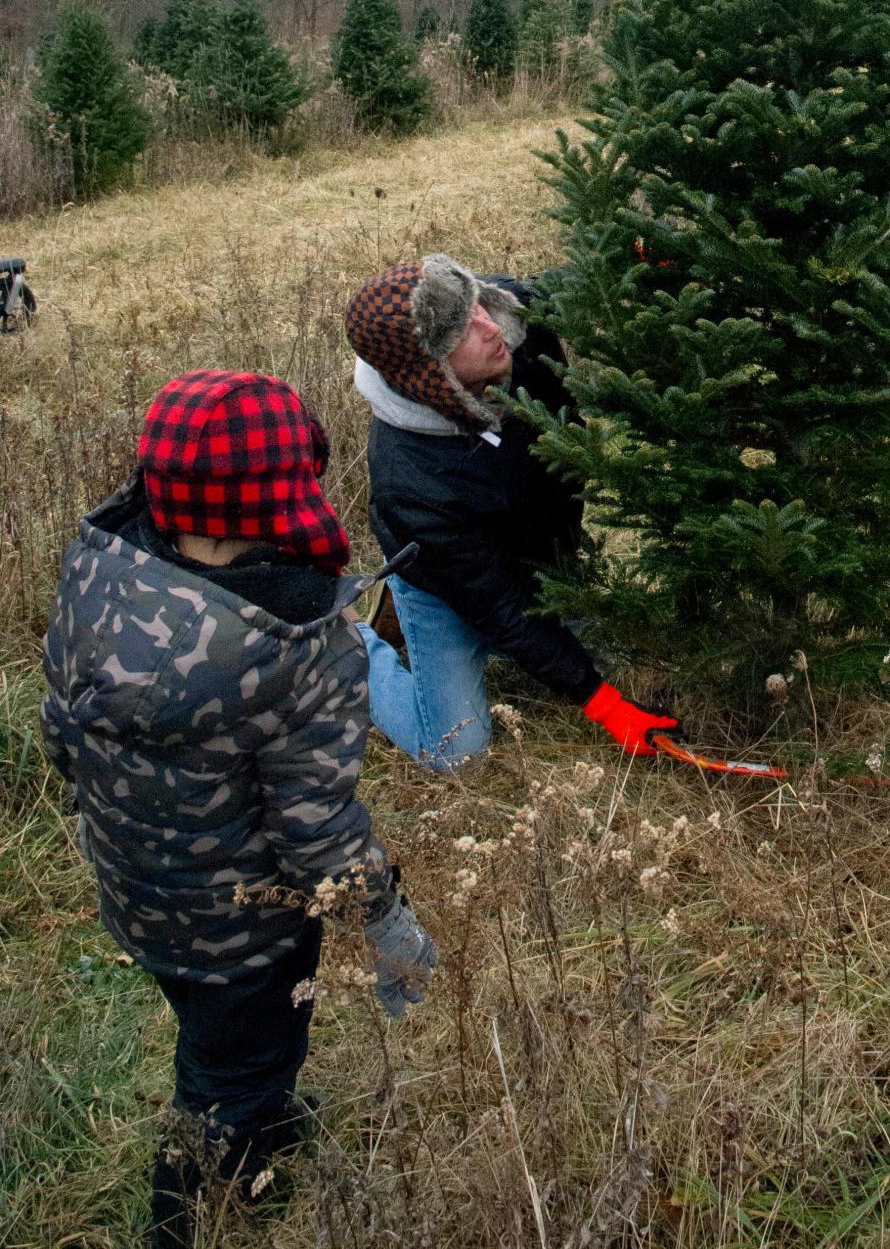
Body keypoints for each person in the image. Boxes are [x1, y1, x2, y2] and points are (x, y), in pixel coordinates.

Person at [40, 369, 438, 1249]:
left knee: (209, 1029)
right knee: (233, 1066)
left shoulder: (101, 563)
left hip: (134, 890)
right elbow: (317, 834)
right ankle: (185, 1214)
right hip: (246, 932)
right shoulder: (298, 647)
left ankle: (258, 1114)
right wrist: (388, 920)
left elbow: (58, 725)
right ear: (283, 489)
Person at [344, 254, 679, 768]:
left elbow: (568, 282)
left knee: (612, 656)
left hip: (538, 551)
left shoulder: (503, 320)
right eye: (461, 331)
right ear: (430, 375)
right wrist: (606, 707)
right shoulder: (411, 485)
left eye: (476, 303)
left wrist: (638, 254)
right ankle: (353, 643)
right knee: (457, 755)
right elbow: (501, 606)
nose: (488, 325)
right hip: (447, 583)